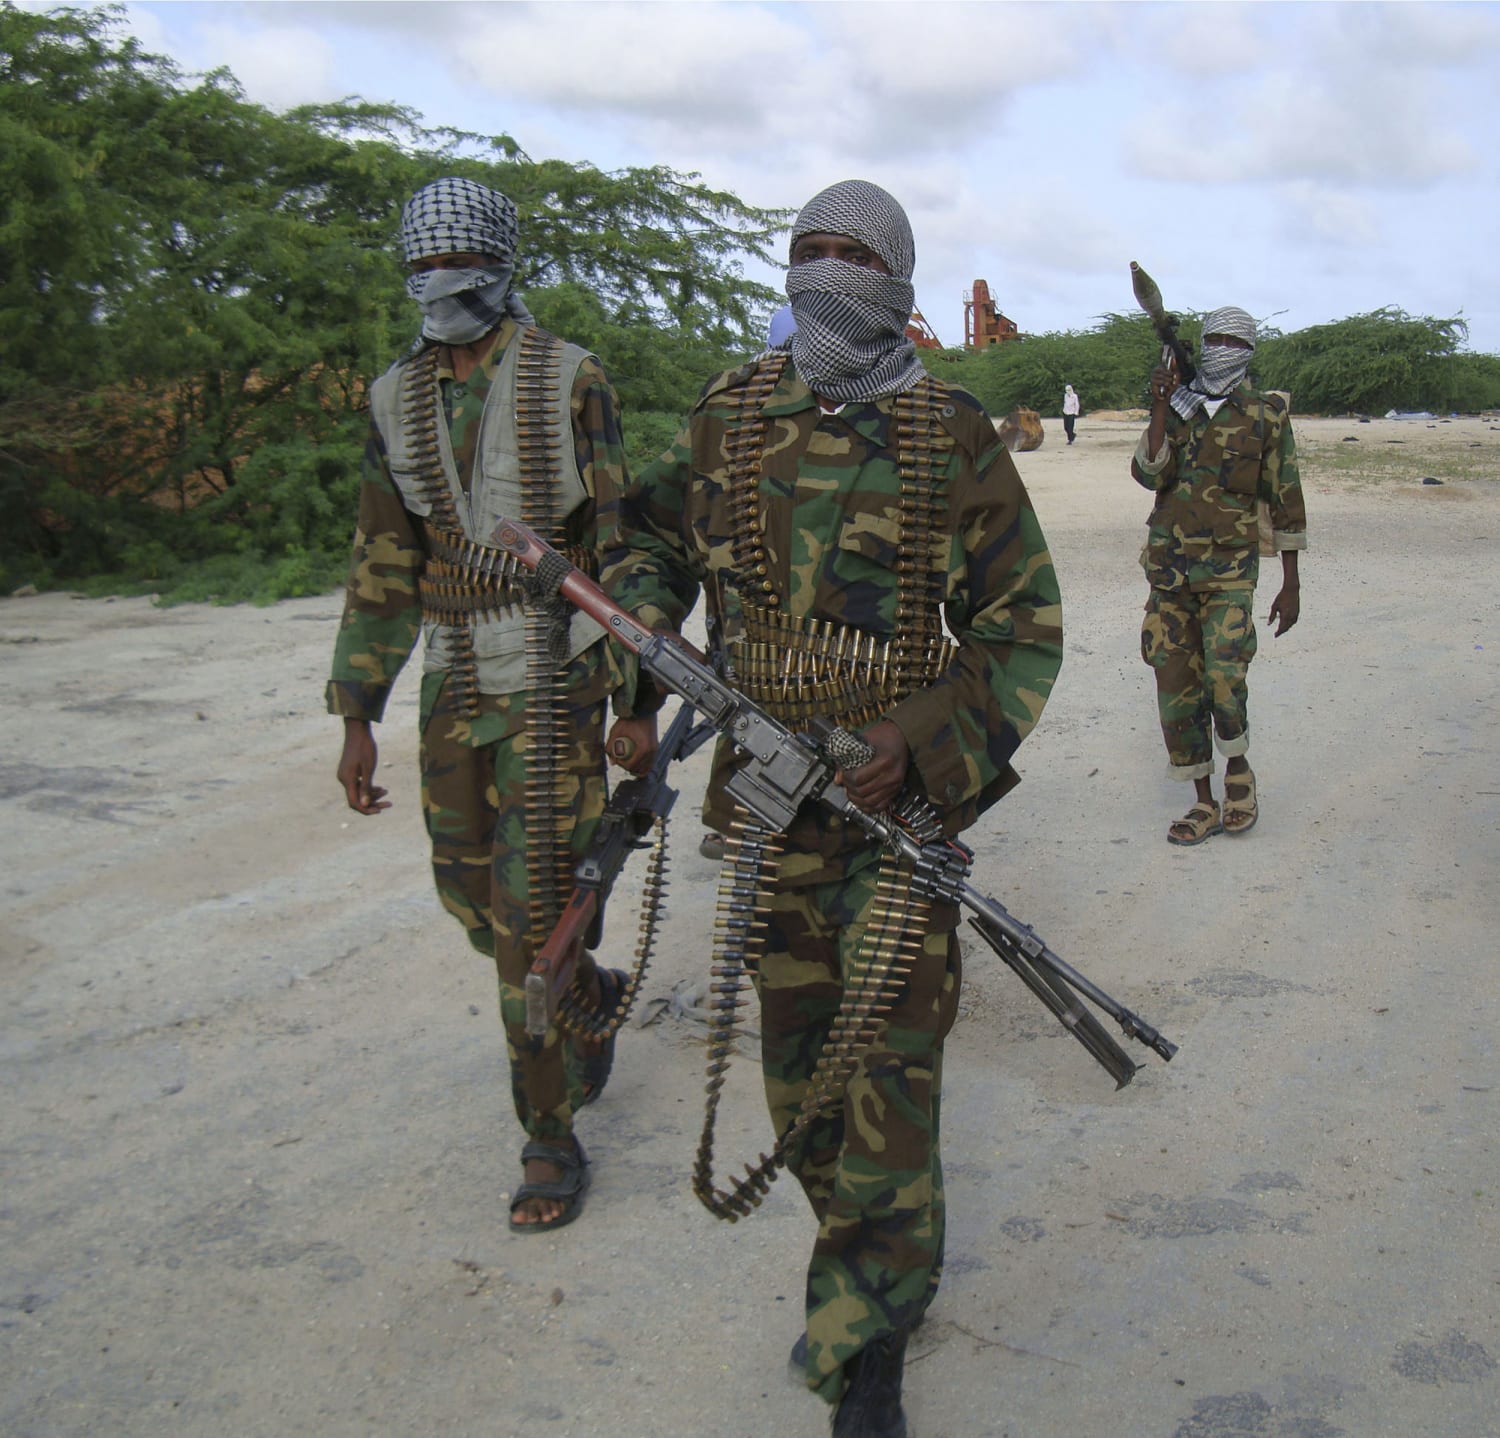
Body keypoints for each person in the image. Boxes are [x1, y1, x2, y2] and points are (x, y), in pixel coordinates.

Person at [599, 180, 1063, 1438]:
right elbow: (644, 543)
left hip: (892, 819)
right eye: (808, 249)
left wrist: (906, 744)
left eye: (852, 253)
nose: (824, 269)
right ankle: (865, 1254)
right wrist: (647, 642)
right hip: (761, 812)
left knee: (887, 1075)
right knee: (799, 1078)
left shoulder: (949, 434)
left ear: (900, 282)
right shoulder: (727, 415)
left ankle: (867, 1331)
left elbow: (1022, 627)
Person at [327, 176, 644, 1233]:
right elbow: (382, 557)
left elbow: (620, 542)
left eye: (456, 261)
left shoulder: (569, 377)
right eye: (421, 264)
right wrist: (357, 710)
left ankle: (548, 1136)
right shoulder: (390, 397)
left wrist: (636, 699)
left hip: (556, 675)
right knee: (471, 904)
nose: (440, 282)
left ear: (504, 264)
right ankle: (589, 996)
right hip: (453, 684)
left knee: (523, 929)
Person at [1131, 306, 1307, 844]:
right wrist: (1161, 404)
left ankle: (1238, 776)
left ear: (1249, 350)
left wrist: (1291, 582)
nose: (1222, 346)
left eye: (1233, 339)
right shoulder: (1179, 408)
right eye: (1214, 337)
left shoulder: (1265, 415)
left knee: (1225, 681)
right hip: (1169, 574)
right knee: (1176, 686)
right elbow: (1147, 472)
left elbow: (1285, 495)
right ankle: (1203, 802)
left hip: (1230, 572)